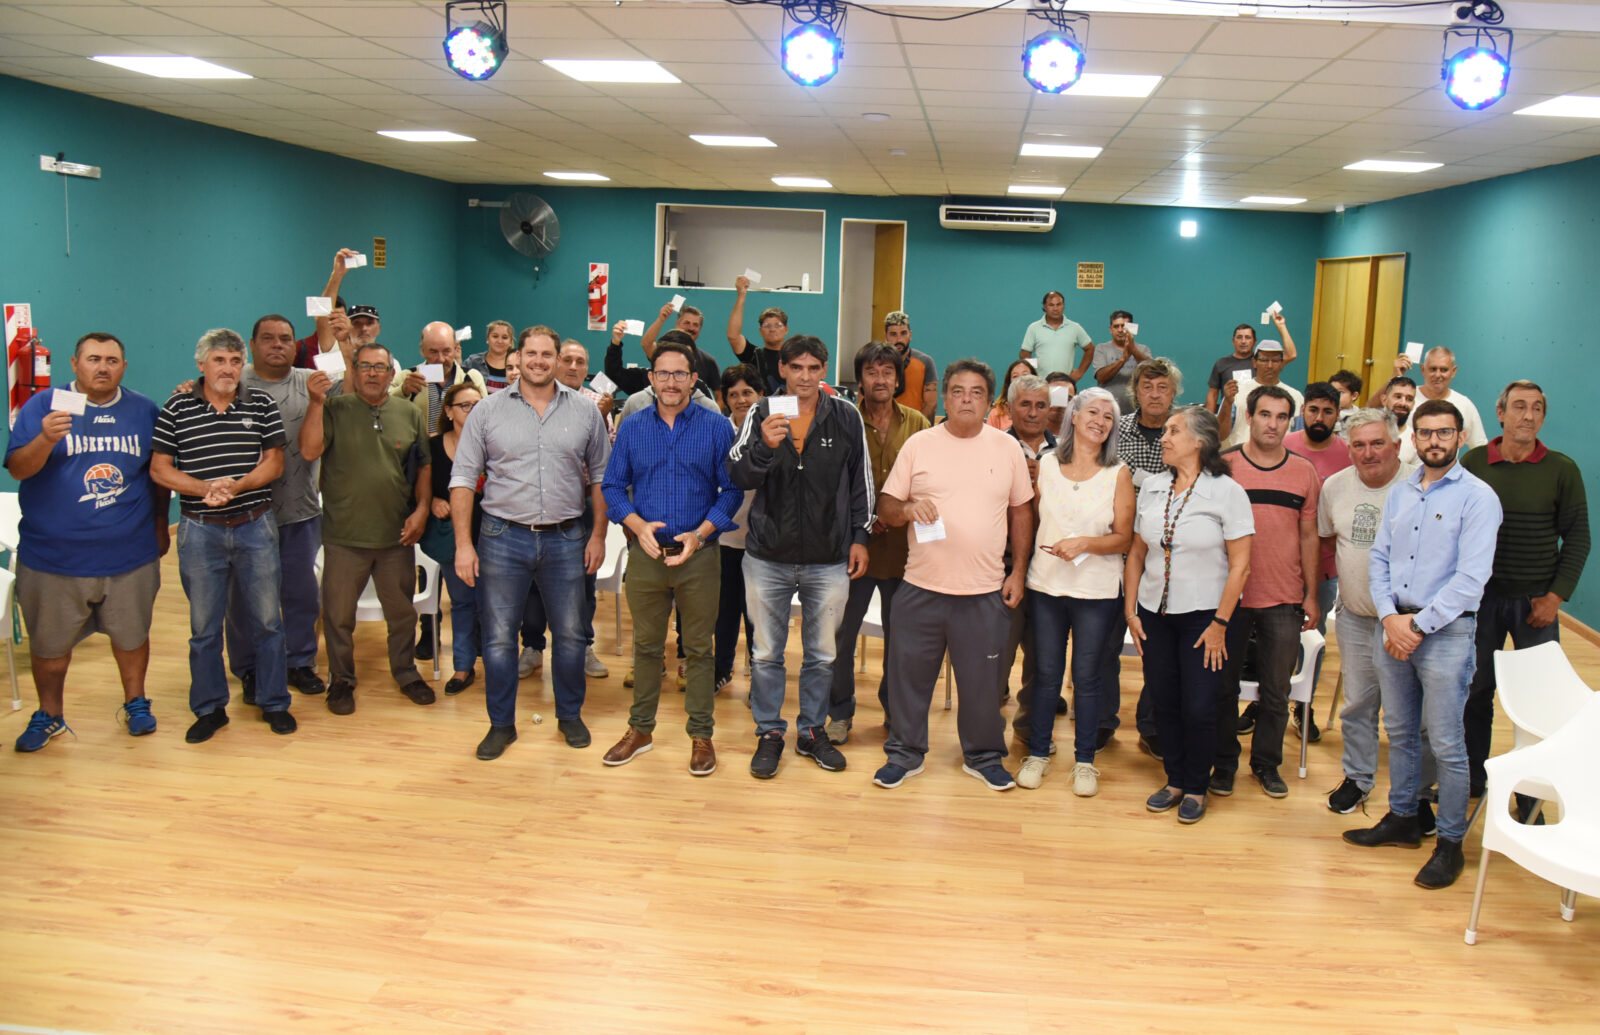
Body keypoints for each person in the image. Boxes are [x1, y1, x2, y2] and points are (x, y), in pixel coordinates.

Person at [1344, 399, 1502, 891]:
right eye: (1426, 433)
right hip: (1394, 624)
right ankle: (1403, 818)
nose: (1435, 441)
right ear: (1413, 439)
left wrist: (1416, 627)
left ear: (1460, 437)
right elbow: (1379, 559)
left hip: (1445, 631)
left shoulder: (1478, 497)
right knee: (1400, 732)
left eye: (1444, 432)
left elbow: (1471, 579)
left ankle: (1450, 843)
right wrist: (1389, 617)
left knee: (1448, 743)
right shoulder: (1401, 493)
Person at [450, 324, 611, 761]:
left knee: (572, 635)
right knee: (499, 638)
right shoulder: (486, 411)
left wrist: (598, 535)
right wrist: (463, 544)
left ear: (558, 359)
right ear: (517, 358)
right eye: (531, 353)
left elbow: (601, 478)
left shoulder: (586, 411)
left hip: (567, 537)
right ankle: (501, 725)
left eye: (547, 354)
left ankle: (570, 715)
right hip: (502, 537)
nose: (539, 361)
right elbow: (463, 478)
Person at [872, 359, 1034, 792]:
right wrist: (908, 509)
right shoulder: (919, 444)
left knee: (983, 684)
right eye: (958, 391)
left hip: (984, 591)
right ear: (945, 397)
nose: (966, 399)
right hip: (920, 588)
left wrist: (1018, 571)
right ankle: (904, 753)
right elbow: (886, 507)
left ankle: (983, 756)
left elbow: (1022, 512)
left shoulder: (1006, 449)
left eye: (976, 392)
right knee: (908, 679)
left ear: (990, 401)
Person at [6, 332, 169, 751]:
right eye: (93, 359)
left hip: (129, 554)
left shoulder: (144, 410)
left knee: (132, 637)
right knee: (49, 646)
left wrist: (159, 524)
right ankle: (50, 714)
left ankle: (136, 702)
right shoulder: (44, 406)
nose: (103, 367)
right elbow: (19, 469)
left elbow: (158, 475)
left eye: (112, 360)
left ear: (124, 367)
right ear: (74, 364)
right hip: (54, 557)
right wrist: (45, 438)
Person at [727, 334, 871, 779]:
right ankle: (770, 732)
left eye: (813, 368)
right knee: (766, 653)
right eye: (796, 368)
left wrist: (860, 536)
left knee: (822, 654)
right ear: (783, 370)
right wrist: (764, 447)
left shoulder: (845, 415)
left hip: (829, 556)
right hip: (767, 555)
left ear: (824, 370)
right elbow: (737, 474)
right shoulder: (762, 411)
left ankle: (811, 730)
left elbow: (862, 480)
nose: (805, 377)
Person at [600, 342, 742, 776]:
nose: (671, 382)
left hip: (699, 556)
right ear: (651, 379)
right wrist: (636, 526)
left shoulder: (716, 428)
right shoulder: (632, 426)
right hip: (646, 554)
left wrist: (701, 534)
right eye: (663, 374)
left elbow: (731, 490)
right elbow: (612, 486)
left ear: (694, 379)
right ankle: (640, 729)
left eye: (680, 374)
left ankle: (701, 734)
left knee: (699, 648)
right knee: (645, 647)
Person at [151, 328, 294, 743]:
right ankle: (210, 708)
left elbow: (275, 463)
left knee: (268, 621)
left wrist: (237, 485)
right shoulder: (177, 406)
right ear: (202, 365)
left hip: (255, 524)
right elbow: (160, 468)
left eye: (235, 361)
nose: (228, 369)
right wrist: (204, 489)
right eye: (219, 360)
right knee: (204, 628)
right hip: (200, 531)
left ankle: (274, 702)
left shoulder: (261, 403)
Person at [1460, 380, 1589, 798]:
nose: (1528, 415)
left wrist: (1555, 597)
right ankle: (1472, 779)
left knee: (1537, 699)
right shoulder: (1474, 462)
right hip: (1481, 600)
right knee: (1475, 690)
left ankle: (1531, 796)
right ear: (1500, 413)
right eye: (1519, 406)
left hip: (1536, 603)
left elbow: (1578, 537)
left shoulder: (1562, 469)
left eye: (1536, 408)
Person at [1125, 406, 1253, 825]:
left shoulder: (1227, 492)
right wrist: (1130, 610)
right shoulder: (1153, 486)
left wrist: (1220, 624)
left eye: (1173, 431)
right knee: (1164, 701)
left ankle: (1197, 786)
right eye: (1165, 431)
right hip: (1154, 613)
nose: (1163, 438)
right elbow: (1137, 552)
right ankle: (1175, 780)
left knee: (1199, 706)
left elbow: (1241, 566)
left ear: (1199, 441)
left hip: (1205, 618)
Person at [300, 342, 434, 713]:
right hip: (344, 536)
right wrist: (315, 403)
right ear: (354, 372)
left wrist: (422, 510)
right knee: (338, 617)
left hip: (396, 535)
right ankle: (341, 680)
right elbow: (309, 451)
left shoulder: (409, 413)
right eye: (365, 366)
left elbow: (424, 466)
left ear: (392, 374)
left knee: (402, 614)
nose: (373, 373)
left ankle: (406, 672)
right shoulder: (334, 409)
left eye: (380, 367)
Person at [1018, 387, 1134, 795]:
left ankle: (1084, 762)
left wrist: (1084, 543)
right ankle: (1037, 754)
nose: (1100, 421)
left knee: (1087, 678)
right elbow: (1033, 522)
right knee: (1045, 675)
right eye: (1094, 412)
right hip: (1046, 586)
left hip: (1097, 592)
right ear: (1074, 416)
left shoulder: (1118, 473)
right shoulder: (1047, 465)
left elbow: (1124, 538)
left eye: (1109, 417)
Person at [1214, 385, 1320, 799]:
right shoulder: (1224, 466)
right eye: (1264, 414)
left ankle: (1266, 764)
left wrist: (1311, 594)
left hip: (1284, 598)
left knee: (1277, 691)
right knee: (1223, 688)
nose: (1272, 424)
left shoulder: (1304, 472)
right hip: (1230, 599)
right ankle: (1224, 764)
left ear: (1290, 421)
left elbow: (1309, 535)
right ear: (1249, 416)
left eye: (1281, 417)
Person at [827, 342, 930, 743]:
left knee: (901, 640)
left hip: (905, 550)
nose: (881, 379)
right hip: (855, 548)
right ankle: (839, 712)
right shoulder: (843, 420)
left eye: (888, 372)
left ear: (898, 378)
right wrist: (868, 519)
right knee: (842, 634)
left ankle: (894, 712)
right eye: (872, 372)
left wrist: (895, 513)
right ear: (860, 380)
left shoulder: (918, 423)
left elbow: (928, 480)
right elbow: (835, 482)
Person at [229, 315, 330, 704]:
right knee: (243, 597)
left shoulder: (311, 381)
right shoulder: (232, 381)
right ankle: (250, 668)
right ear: (252, 345)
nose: (277, 345)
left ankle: (299, 661)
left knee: (301, 593)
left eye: (285, 339)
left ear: (294, 345)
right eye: (268, 338)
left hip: (299, 511)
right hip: (242, 514)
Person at [1319, 409, 1414, 814]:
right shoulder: (1335, 487)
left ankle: (1417, 793)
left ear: (1396, 445)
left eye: (1377, 443)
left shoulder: (1420, 484)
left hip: (1409, 622)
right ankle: (1358, 778)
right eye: (1358, 444)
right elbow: (1328, 542)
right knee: (1358, 704)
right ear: (1349, 449)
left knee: (1408, 713)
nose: (1368, 452)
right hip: (1356, 616)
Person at [1110, 357, 1183, 760]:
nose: (1155, 395)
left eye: (1163, 388)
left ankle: (1153, 725)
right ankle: (1102, 720)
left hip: (1165, 553)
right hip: (1114, 547)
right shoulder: (1116, 429)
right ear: (1135, 391)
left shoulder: (1185, 429)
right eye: (1147, 387)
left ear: (1174, 393)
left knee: (1160, 646)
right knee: (1105, 639)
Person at [1280, 381, 1352, 739]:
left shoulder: (1348, 454)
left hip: (1324, 565)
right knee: (1272, 638)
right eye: (1313, 410)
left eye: (1327, 411)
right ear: (1303, 411)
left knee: (1313, 636)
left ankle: (1303, 706)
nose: (1319, 417)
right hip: (1280, 563)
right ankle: (1264, 704)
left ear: (1337, 415)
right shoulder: (1285, 445)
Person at [1000, 375, 1055, 734]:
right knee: (996, 653)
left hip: (1050, 569)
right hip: (1001, 566)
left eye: (1041, 405)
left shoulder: (1066, 452)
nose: (1033, 413)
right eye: (1025, 404)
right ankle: (985, 731)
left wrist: (1044, 481)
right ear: (1009, 408)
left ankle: (1030, 728)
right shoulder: (992, 447)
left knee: (1043, 656)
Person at [428, 382, 485, 696]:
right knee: (462, 603)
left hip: (493, 535)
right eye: (465, 405)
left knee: (495, 604)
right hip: (455, 539)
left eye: (478, 404)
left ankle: (497, 662)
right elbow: (418, 489)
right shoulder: (433, 447)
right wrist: (434, 501)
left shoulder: (494, 443)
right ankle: (463, 667)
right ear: (449, 411)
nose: (472, 410)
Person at [714, 365, 763, 691]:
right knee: (725, 613)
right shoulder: (719, 432)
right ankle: (721, 670)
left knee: (758, 617)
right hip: (724, 539)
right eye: (734, 394)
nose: (741, 399)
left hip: (761, 543)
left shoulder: (772, 430)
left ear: (761, 395)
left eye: (748, 392)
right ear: (724, 399)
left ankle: (760, 678)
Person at [393, 321, 488, 436]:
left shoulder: (471, 377)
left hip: (459, 445)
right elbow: (383, 407)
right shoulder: (408, 377)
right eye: (433, 352)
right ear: (422, 350)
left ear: (455, 348)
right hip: (420, 445)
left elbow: (485, 417)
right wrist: (402, 391)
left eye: (446, 351)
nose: (441, 359)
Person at [1393, 347, 1487, 459]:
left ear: (1453, 371)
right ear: (1423, 369)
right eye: (1433, 369)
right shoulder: (1406, 398)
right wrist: (1394, 380)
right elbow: (1375, 414)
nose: (1438, 375)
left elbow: (1481, 449)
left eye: (1444, 370)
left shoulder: (1464, 405)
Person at [1205, 312, 1298, 417]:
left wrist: (1281, 326)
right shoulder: (1222, 363)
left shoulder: (1263, 362)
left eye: (1248, 337)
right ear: (1233, 341)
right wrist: (1209, 420)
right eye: (1239, 337)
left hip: (1260, 412)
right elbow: (1213, 394)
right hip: (1231, 415)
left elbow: (1291, 354)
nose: (1243, 341)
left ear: (1254, 342)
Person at [1220, 339, 1303, 449]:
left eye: (1275, 361)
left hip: (1280, 457)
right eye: (1264, 360)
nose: (1269, 365)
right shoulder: (1237, 392)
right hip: (1242, 455)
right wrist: (1227, 402)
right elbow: (1220, 434)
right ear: (1254, 362)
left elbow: (1301, 438)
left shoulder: (1296, 396)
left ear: (1282, 363)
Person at [639, 302, 720, 401]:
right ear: (677, 324)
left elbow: (719, 396)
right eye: (687, 323)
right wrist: (661, 319)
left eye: (695, 325)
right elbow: (646, 344)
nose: (691, 328)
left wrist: (712, 411)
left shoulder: (708, 361)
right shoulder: (663, 353)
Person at [295, 247, 360, 369]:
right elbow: (322, 316)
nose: (336, 324)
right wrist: (337, 274)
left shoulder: (367, 350)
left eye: (340, 318)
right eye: (331, 319)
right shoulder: (309, 347)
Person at [726, 275, 787, 394]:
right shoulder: (754, 355)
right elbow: (733, 336)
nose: (772, 329)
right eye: (767, 326)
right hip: (761, 405)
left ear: (786, 329)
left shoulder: (795, 358)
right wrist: (741, 295)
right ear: (760, 331)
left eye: (777, 325)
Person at [1018, 291, 1093, 382]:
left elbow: (1090, 349)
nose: (1055, 308)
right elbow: (1025, 353)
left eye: (1059, 304)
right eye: (1051, 305)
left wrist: (1079, 373)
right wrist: (1033, 374)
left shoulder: (1075, 327)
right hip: (1040, 383)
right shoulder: (1034, 328)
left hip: (1065, 382)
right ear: (1045, 307)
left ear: (1063, 306)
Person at [1091, 309, 1152, 409]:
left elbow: (1151, 373)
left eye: (1123, 326)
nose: (1120, 330)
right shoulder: (1101, 348)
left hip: (1137, 409)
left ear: (1132, 328)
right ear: (1111, 329)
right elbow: (1101, 378)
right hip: (1108, 408)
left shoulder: (1143, 349)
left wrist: (1133, 350)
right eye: (1116, 326)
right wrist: (1123, 359)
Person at [884, 311, 938, 421]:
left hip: (917, 426)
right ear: (886, 336)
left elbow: (931, 405)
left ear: (910, 335)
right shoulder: (876, 364)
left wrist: (918, 428)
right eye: (893, 334)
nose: (899, 339)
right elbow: (864, 402)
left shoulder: (925, 362)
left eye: (903, 333)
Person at [462, 319, 517, 393]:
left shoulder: (518, 363)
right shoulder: (473, 361)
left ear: (510, 341)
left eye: (504, 337)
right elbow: (458, 381)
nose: (499, 341)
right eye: (495, 336)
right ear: (488, 338)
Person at [985, 359, 1038, 431]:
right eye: (1015, 376)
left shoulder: (1041, 409)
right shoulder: (997, 412)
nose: (1020, 379)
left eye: (1025, 375)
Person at [1043, 372, 1074, 437]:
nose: (1061, 404)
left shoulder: (1079, 437)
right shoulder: (1027, 433)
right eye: (1055, 396)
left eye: (1068, 398)